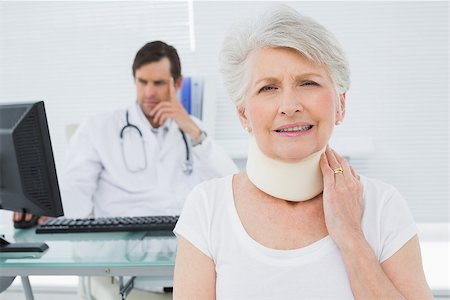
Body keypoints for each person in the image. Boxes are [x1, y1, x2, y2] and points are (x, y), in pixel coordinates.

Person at [173, 6, 432, 299]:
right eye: (268, 88)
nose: (289, 105)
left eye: (308, 83)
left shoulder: (383, 207)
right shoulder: (207, 209)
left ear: (341, 105)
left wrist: (351, 236)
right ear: (243, 114)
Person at [15, 41, 237, 299]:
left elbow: (231, 187)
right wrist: (40, 211)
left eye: (159, 83)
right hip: (126, 264)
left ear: (177, 84)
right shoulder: (100, 129)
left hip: (190, 265)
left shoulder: (192, 130)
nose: (149, 92)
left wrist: (192, 129)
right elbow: (74, 192)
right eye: (142, 82)